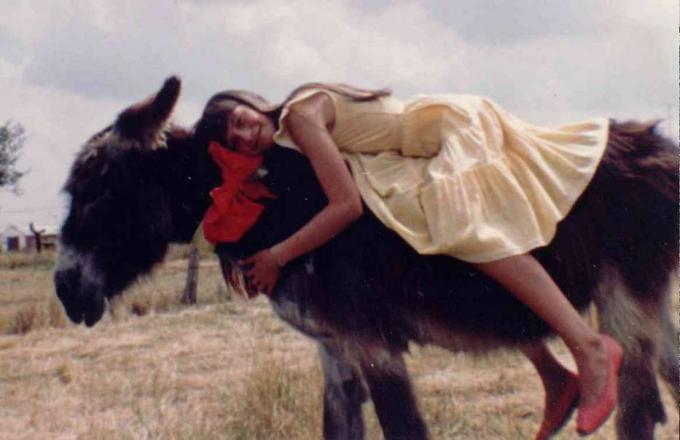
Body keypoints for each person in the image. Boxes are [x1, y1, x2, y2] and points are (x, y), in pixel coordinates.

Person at [194, 83, 623, 437]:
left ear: (250, 101)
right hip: (403, 156)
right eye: (235, 142)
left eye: (240, 120)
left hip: (446, 133)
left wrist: (278, 256)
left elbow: (346, 206)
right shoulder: (287, 137)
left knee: (466, 231)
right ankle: (553, 375)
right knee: (425, 240)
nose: (246, 136)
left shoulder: (300, 117)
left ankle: (588, 346)